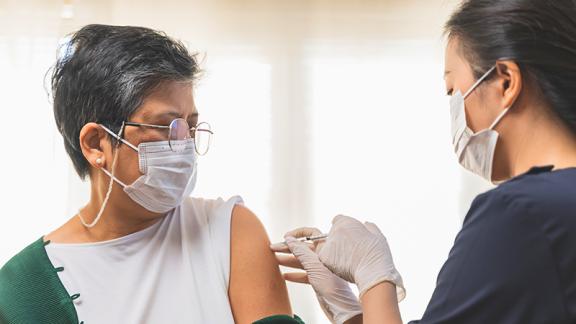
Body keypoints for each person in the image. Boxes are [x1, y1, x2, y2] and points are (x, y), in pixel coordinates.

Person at [273, 0, 576, 323]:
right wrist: (352, 312)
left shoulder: (521, 213)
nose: (456, 113)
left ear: (505, 81)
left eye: (453, 91)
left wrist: (373, 276)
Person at [0, 24, 298, 324]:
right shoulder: (23, 289)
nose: (184, 146)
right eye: (167, 127)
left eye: (189, 127)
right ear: (95, 144)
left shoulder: (229, 230)